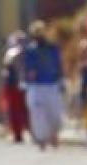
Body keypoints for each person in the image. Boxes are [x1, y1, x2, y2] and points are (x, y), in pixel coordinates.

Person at [22, 20, 64, 150]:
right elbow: (27, 69)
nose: (39, 35)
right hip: (36, 87)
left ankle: (54, 135)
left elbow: (59, 66)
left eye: (41, 32)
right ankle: (41, 139)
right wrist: (29, 75)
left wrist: (61, 81)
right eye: (36, 32)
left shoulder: (53, 48)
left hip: (52, 85)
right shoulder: (30, 50)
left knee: (55, 115)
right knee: (38, 114)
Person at [1, 30, 29, 144]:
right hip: (16, 85)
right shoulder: (16, 53)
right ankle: (18, 133)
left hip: (16, 85)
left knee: (17, 110)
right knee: (18, 110)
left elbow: (7, 70)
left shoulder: (12, 53)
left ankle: (19, 133)